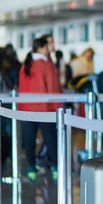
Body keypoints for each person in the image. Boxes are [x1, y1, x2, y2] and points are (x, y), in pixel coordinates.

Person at [18, 37, 62, 181]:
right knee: (51, 140)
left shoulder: (26, 65)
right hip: (45, 109)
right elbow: (52, 88)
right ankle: (56, 169)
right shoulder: (45, 65)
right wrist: (58, 107)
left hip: (28, 109)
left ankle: (31, 169)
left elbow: (22, 89)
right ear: (42, 48)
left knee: (30, 140)